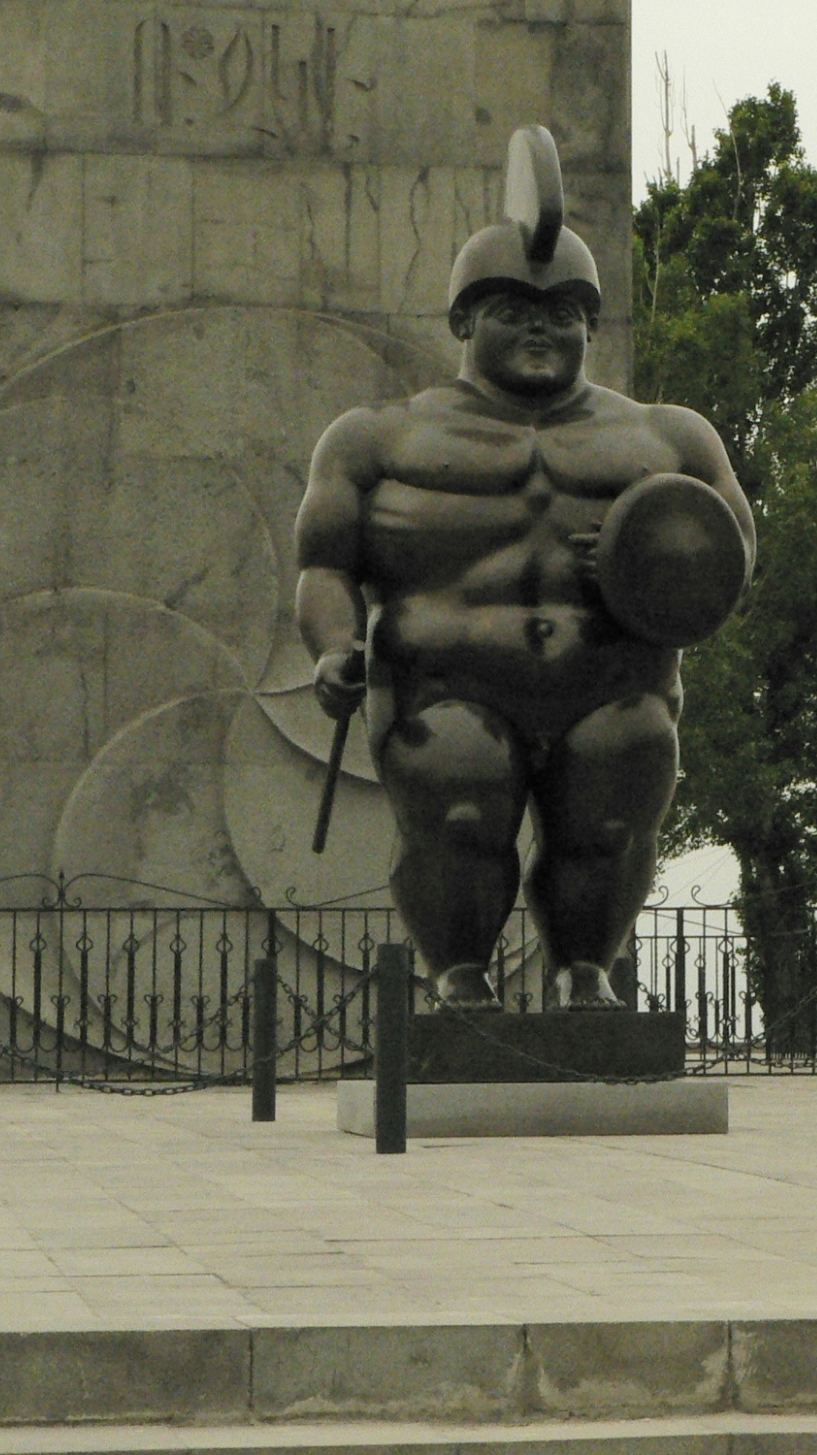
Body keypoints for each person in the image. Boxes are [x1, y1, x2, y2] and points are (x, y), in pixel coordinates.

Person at [294, 128, 755, 1009]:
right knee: (460, 812)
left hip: (614, 682)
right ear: (465, 321)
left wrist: (645, 564)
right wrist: (332, 649)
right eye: (514, 309)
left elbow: (729, 556)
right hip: (444, 686)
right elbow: (323, 565)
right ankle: (460, 980)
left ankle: (587, 976)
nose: (542, 327)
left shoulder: (667, 437)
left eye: (564, 312)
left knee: (610, 828)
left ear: (589, 325)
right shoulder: (379, 438)